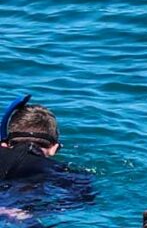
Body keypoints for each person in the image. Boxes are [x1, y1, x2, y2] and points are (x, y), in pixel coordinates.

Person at [0, 97, 93, 226]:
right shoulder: (60, 170)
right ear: (55, 148)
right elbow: (84, 199)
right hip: (20, 206)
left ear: (5, 143)